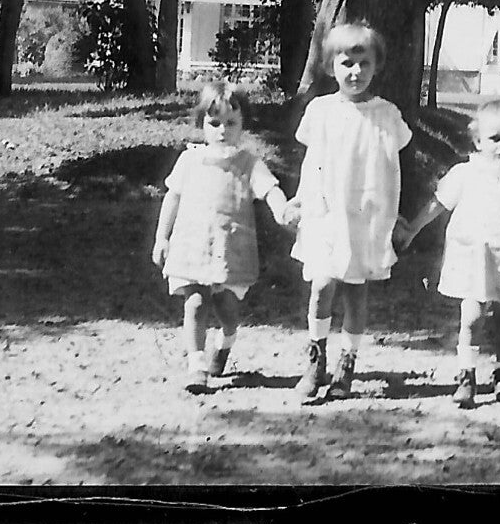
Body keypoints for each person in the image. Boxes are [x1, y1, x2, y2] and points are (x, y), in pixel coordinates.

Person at [394, 99, 500, 409]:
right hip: (473, 258)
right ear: (478, 141)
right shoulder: (465, 174)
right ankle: (466, 375)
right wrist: (412, 228)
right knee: (472, 317)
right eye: (495, 138)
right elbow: (438, 204)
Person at [288, 21, 413, 402]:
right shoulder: (320, 110)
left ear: (376, 67)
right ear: (330, 66)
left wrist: (398, 215)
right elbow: (312, 162)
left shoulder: (387, 115)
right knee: (323, 284)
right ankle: (316, 356)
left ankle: (348, 362)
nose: (355, 72)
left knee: (356, 290)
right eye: (346, 63)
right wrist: (298, 199)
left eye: (364, 63)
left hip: (365, 215)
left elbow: (396, 167)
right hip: (327, 212)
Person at [152, 81, 296, 393]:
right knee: (195, 302)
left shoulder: (248, 163)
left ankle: (227, 339)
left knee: (227, 309)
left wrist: (283, 211)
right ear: (201, 123)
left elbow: (270, 189)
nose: (222, 130)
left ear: (243, 125)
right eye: (214, 123)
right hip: (193, 246)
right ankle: (196, 365)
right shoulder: (189, 160)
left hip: (230, 249)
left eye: (230, 123)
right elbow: (172, 197)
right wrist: (162, 237)